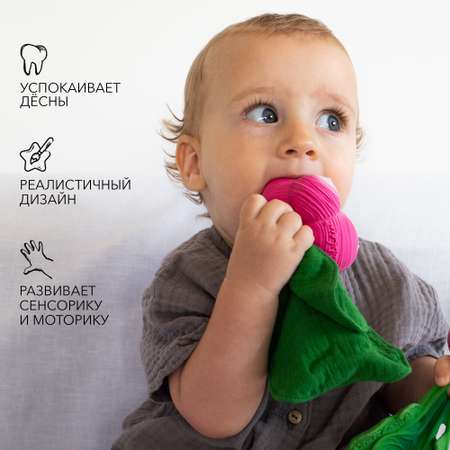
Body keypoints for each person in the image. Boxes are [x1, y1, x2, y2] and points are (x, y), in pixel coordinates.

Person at [111, 12, 450, 449]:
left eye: (331, 121)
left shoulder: (383, 278)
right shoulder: (189, 277)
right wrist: (251, 285)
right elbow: (213, 416)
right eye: (265, 113)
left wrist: (435, 385)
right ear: (195, 164)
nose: (303, 141)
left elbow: (398, 376)